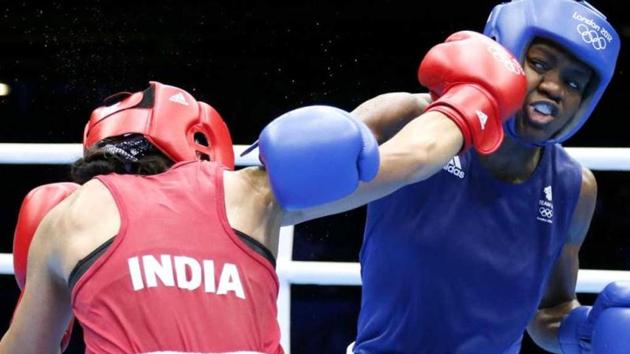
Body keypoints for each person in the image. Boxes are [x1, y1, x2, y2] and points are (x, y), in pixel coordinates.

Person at [1, 29, 529, 352]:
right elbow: (412, 159)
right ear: (203, 140)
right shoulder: (251, 194)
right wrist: (470, 98)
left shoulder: (65, 220)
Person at [342, 0, 630, 353]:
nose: (555, 88)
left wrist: (586, 331)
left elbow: (549, 311)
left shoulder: (574, 188)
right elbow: (303, 172)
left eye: (573, 83)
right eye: (539, 64)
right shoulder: (412, 119)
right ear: (502, 51)